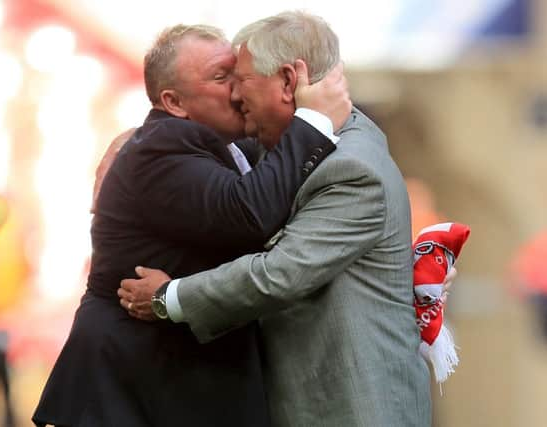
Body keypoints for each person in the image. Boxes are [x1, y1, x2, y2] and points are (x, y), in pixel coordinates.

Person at [118, 11, 432, 426]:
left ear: (287, 82)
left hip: (352, 411)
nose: (233, 96)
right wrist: (129, 151)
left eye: (241, 80)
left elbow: (279, 275)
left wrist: (168, 298)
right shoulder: (293, 150)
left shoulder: (354, 168)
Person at [32, 23, 351, 427]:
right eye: (221, 78)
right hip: (129, 391)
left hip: (173, 385)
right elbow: (249, 213)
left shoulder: (211, 140)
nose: (238, 91)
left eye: (238, 74)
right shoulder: (161, 149)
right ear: (174, 101)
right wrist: (314, 121)